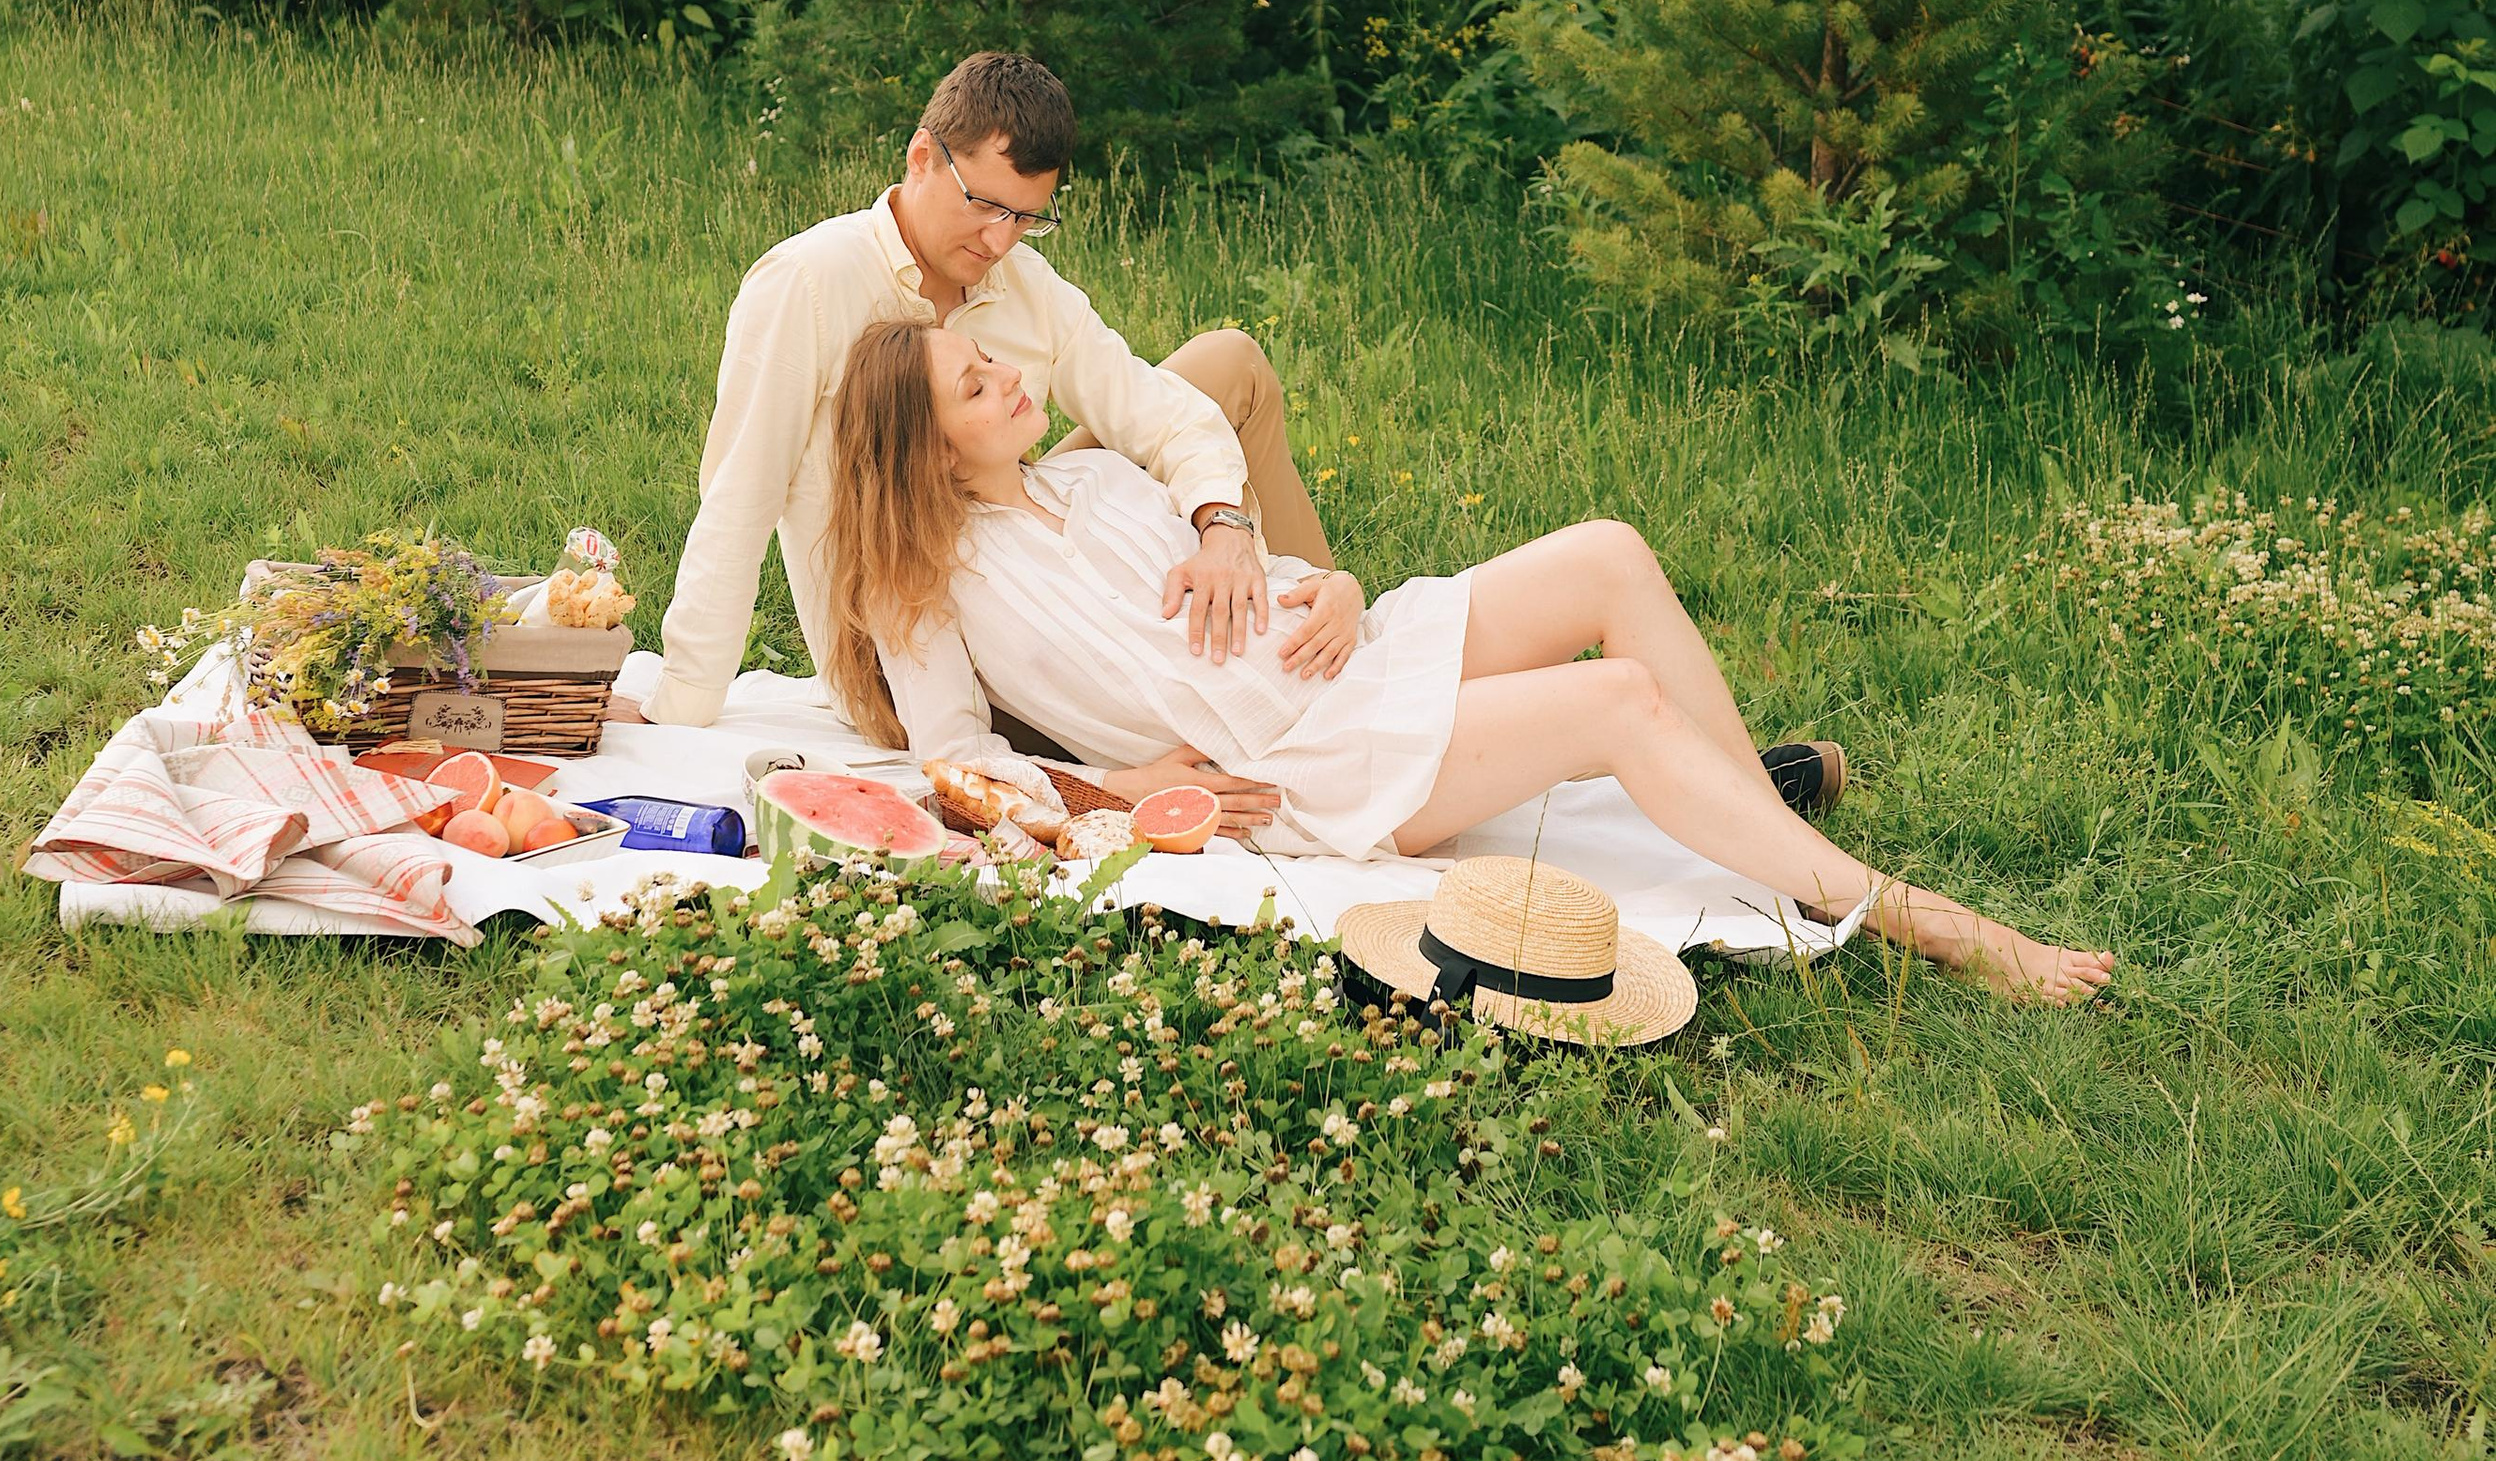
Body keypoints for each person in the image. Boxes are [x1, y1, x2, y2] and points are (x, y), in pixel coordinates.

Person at [822, 317, 2115, 1007]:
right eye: (970, 382)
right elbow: (954, 762)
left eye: (990, 357)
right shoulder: (929, 590)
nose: (1003, 375)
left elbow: (1250, 582)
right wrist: (1123, 785)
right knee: (1617, 701)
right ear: (924, 447)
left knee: (1608, 549)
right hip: (1310, 757)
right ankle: (1921, 918)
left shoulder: (1097, 476)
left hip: (1348, 655)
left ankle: (1755, 820)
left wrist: (1329, 581)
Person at [646, 50, 1335, 730]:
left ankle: (1316, 621)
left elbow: (1161, 414)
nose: (1001, 238)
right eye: (985, 204)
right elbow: (739, 500)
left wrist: (1224, 527)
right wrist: (683, 703)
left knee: (1227, 363)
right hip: (919, 656)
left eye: (1027, 217)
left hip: (1038, 593)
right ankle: (1309, 672)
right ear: (922, 157)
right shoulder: (809, 281)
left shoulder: (1025, 284)